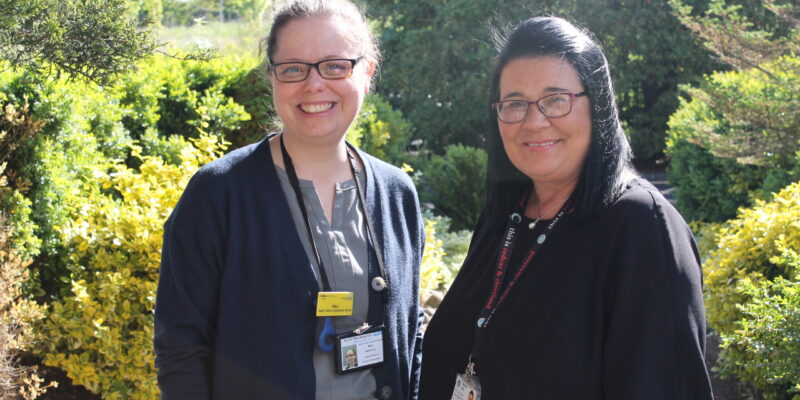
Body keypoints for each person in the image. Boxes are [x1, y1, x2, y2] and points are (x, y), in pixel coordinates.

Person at [419, 16, 714, 399]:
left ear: (598, 106)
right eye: (515, 104)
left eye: (556, 100)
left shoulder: (640, 226)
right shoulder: (506, 218)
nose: (534, 121)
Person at [154, 1, 424, 399]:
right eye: (294, 68)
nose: (314, 85)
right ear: (272, 77)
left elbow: (411, 331)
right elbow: (181, 349)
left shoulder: (397, 193)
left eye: (335, 66)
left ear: (366, 73)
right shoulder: (218, 194)